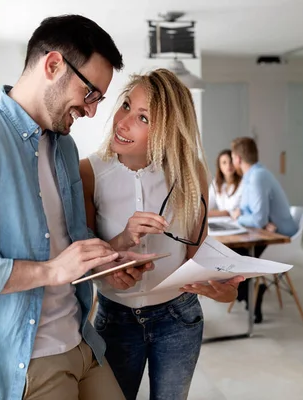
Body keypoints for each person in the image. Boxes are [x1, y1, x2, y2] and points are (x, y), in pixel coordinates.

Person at [0, 15, 150, 400]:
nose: (92, 112)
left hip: (82, 344)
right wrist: (51, 272)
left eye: (99, 99)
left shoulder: (64, 148)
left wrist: (108, 259)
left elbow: (68, 241)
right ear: (53, 65)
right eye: (90, 94)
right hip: (24, 361)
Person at [79, 69, 244, 400]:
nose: (123, 122)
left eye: (143, 117)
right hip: (115, 320)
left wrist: (225, 291)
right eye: (126, 105)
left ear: (168, 130)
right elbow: (83, 260)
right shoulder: (89, 173)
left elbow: (198, 257)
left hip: (178, 317)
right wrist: (123, 239)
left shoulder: (192, 173)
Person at [230, 137, 297, 323]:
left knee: (234, 255)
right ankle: (249, 293)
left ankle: (250, 293)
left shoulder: (258, 176)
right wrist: (248, 218)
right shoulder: (251, 176)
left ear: (237, 158)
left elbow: (257, 219)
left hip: (279, 238)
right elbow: (247, 211)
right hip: (266, 234)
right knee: (232, 255)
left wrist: (240, 218)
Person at [208, 149, 243, 217]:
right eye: (224, 162)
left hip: (238, 222)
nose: (228, 165)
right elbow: (207, 205)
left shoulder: (243, 182)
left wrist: (224, 213)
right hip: (222, 222)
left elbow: (239, 211)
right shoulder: (216, 183)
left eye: (231, 162)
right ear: (219, 166)